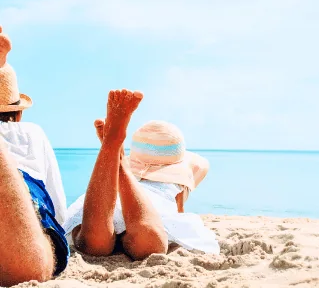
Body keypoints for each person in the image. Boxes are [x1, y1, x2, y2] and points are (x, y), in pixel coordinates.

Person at [62, 96, 219, 259]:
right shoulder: (176, 183)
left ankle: (115, 156)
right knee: (151, 246)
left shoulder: (107, 185)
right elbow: (178, 213)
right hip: (148, 208)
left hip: (108, 200)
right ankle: (122, 167)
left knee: (91, 243)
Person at [0, 25, 69, 287]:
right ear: (18, 112)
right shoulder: (31, 132)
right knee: (30, 267)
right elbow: (55, 192)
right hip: (23, 197)